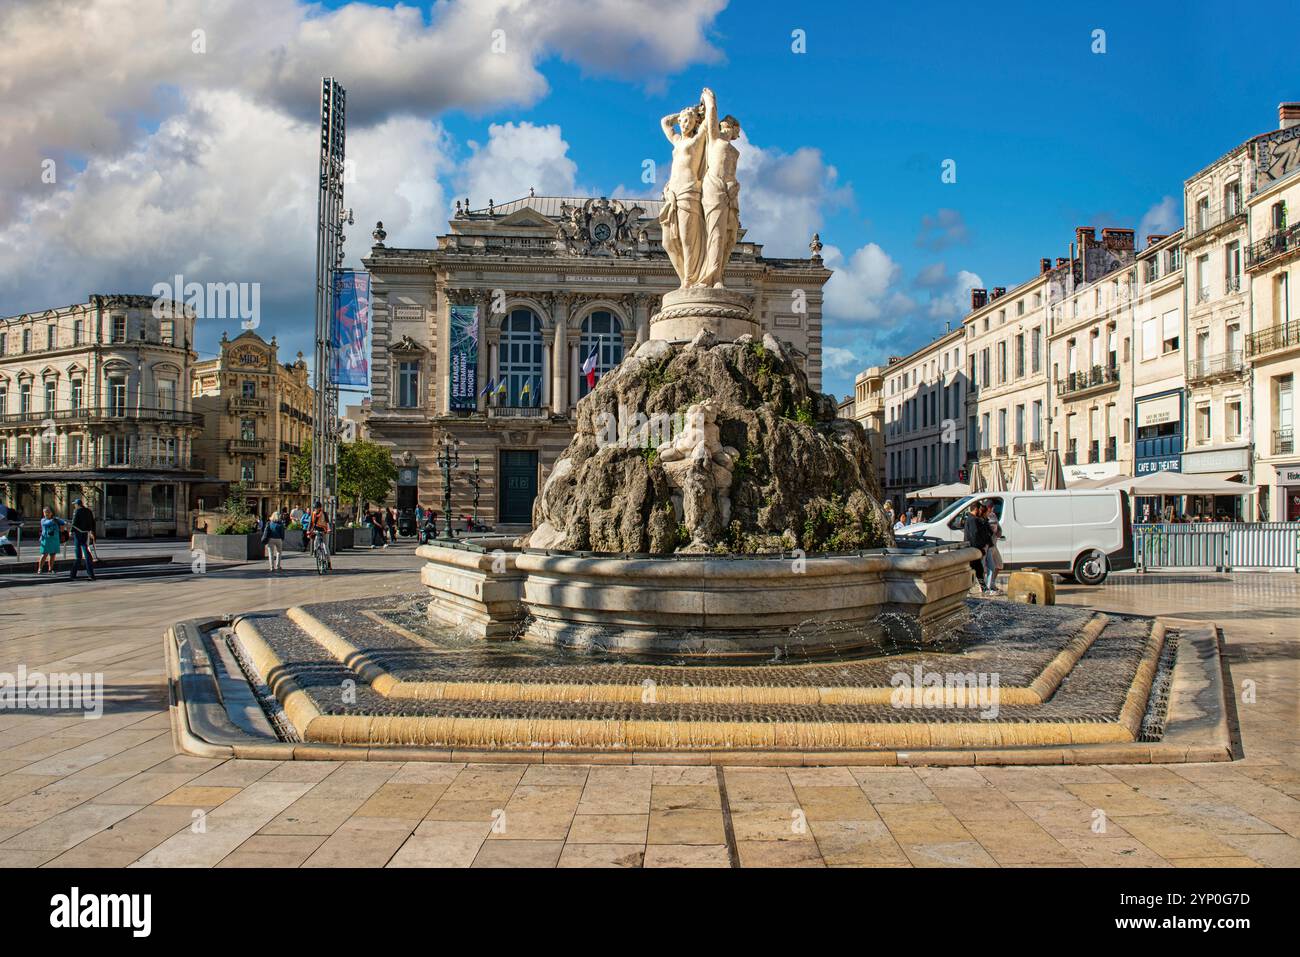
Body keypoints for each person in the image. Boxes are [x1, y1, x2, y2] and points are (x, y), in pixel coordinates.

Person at [963, 502, 993, 593]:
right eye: (979, 509)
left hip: (972, 548)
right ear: (976, 509)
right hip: (973, 548)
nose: (980, 511)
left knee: (978, 568)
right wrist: (980, 548)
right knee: (975, 569)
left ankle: (982, 588)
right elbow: (974, 535)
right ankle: (973, 588)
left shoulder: (971, 519)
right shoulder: (973, 520)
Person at [68, 497, 97, 581]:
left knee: (78, 555)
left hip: (78, 533)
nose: (74, 506)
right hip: (86, 533)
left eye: (75, 504)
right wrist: (92, 532)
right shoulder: (88, 511)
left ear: (77, 505)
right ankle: (91, 574)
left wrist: (70, 532)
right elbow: (92, 522)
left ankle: (73, 574)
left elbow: (74, 522)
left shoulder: (77, 511)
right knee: (86, 552)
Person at [36, 506, 65, 574]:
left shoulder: (55, 519)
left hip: (54, 539)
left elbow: (63, 522)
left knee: (53, 554)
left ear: (51, 513)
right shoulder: (43, 520)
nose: (47, 513)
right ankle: (40, 569)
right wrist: (55, 520)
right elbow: (47, 523)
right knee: (44, 554)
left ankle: (50, 569)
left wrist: (61, 524)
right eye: (45, 512)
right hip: (46, 539)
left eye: (48, 512)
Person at [984, 503, 1004, 594]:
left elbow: (998, 526)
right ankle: (987, 587)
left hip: (994, 543)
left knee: (999, 565)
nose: (992, 509)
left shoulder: (993, 515)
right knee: (990, 566)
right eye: (991, 507)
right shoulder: (984, 516)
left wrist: (999, 532)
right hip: (988, 545)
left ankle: (992, 583)